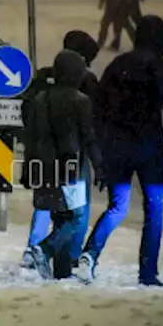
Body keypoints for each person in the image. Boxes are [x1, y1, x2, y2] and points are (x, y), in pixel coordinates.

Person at [80, 16, 163, 285]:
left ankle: (89, 255)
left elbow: (100, 111)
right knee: (154, 209)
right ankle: (148, 272)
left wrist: (102, 153)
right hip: (151, 148)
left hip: (118, 147)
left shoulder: (118, 67)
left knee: (118, 207)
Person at [21, 31, 99, 270]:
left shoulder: (41, 94)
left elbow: (29, 130)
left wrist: (27, 167)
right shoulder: (81, 97)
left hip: (43, 164)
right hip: (71, 166)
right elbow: (89, 135)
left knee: (53, 212)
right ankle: (47, 251)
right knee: (75, 215)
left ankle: (52, 261)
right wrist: (101, 165)